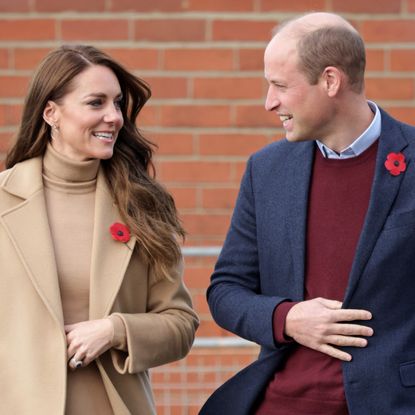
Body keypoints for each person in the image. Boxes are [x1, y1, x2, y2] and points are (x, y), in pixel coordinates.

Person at [200, 12, 415, 415]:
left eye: (280, 85)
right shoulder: (266, 170)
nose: (269, 103)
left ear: (330, 81)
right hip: (281, 403)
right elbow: (226, 290)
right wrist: (288, 318)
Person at [0, 45, 198, 415]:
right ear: (51, 113)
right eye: (96, 103)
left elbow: (181, 324)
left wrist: (115, 330)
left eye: (118, 103)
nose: (113, 117)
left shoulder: (142, 204)